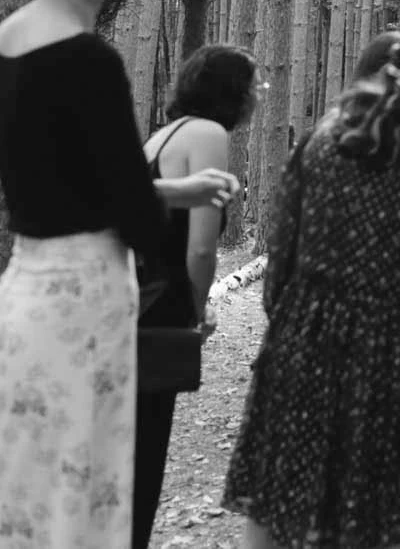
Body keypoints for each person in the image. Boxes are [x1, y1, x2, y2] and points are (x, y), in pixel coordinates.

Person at [0, 0, 238, 549]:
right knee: (79, 510)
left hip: (24, 297)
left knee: (23, 502)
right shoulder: (90, 59)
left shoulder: (10, 37)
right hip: (83, 309)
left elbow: (65, 187)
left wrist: (176, 187)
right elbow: (134, 216)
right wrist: (187, 271)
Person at [223, 13, 400, 549]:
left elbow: (281, 258)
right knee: (369, 521)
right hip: (391, 356)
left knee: (281, 503)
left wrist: (297, 326)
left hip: (300, 344)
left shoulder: (326, 137)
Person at [134, 43, 261, 549]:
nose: (257, 96)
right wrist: (196, 307)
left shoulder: (160, 137)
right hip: (160, 313)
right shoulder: (206, 133)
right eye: (254, 85)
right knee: (143, 456)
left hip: (130, 303)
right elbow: (202, 246)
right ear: (231, 90)